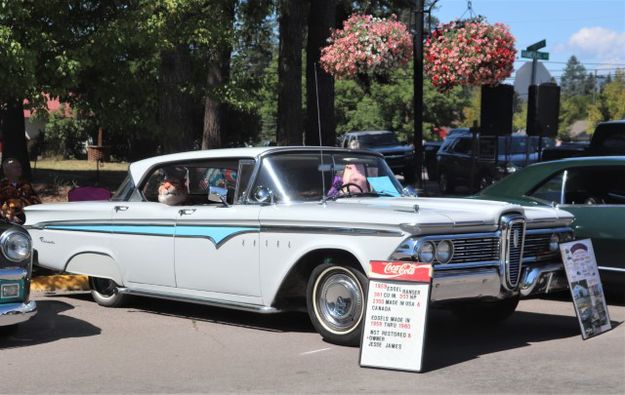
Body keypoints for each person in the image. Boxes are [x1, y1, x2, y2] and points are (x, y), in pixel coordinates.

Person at [0, 158, 41, 224]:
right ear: (6, 171)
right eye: (15, 167)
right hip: (6, 222)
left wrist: (22, 203)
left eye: (19, 167)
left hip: (27, 219)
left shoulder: (26, 185)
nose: (19, 169)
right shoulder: (2, 186)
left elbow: (36, 201)